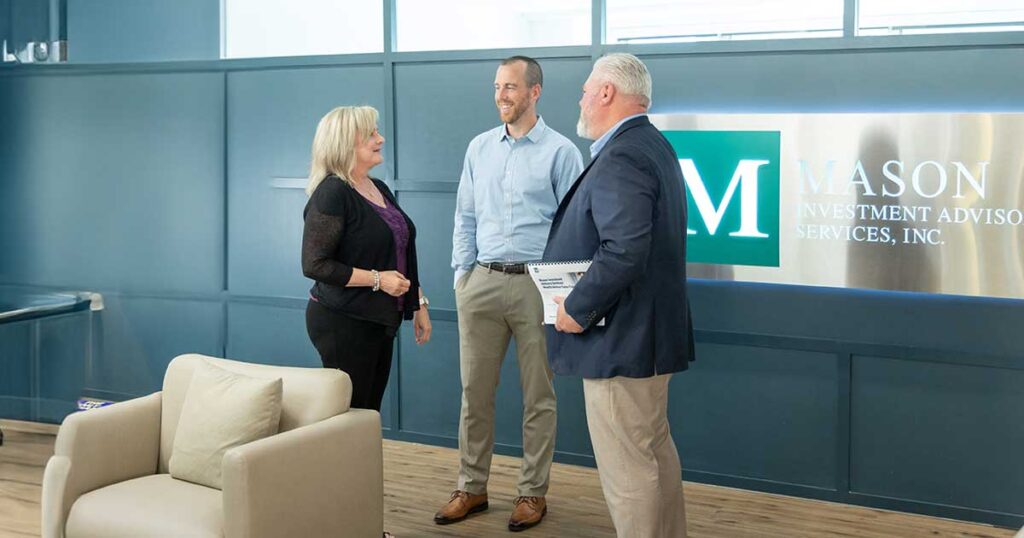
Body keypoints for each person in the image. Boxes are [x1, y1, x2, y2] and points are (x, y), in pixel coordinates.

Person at [543, 53, 696, 537]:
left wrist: (577, 307)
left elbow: (625, 249)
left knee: (629, 469)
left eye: (587, 89)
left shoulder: (624, 154)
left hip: (620, 340)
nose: (582, 98)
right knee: (652, 450)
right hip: (645, 338)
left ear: (607, 93)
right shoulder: (652, 145)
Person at [435, 56, 584, 532]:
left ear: (535, 91)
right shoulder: (479, 148)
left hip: (538, 286)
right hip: (480, 283)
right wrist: (462, 275)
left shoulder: (561, 152)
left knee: (538, 396)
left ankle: (531, 493)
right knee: (473, 394)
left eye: (511, 87)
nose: (502, 95)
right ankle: (471, 487)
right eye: (498, 86)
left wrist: (564, 291)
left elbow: (575, 227)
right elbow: (465, 216)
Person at [302, 105, 432, 414]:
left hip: (378, 319)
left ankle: (360, 464)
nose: (381, 138)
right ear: (346, 143)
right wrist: (379, 280)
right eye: (371, 134)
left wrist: (419, 302)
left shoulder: (379, 188)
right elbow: (315, 264)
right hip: (342, 320)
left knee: (367, 412)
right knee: (349, 415)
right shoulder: (332, 192)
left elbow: (398, 250)